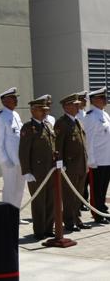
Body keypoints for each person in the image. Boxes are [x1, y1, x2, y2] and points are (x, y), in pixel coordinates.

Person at [19, 97, 56, 240]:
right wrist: (26, 171)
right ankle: (39, 231)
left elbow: (53, 146)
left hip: (50, 170)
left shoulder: (48, 126)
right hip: (36, 171)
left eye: (46, 110)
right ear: (33, 110)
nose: (45, 112)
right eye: (41, 110)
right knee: (39, 201)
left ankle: (48, 228)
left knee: (50, 200)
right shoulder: (28, 128)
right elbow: (23, 151)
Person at [54, 94, 91, 231]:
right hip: (69, 166)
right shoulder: (62, 123)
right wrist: (61, 164)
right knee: (69, 195)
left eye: (78, 104)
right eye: (75, 104)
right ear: (66, 107)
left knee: (79, 194)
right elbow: (58, 146)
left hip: (80, 164)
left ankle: (77, 218)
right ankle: (69, 222)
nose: (78, 106)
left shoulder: (77, 121)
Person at [0, 87, 27, 220]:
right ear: (5, 100)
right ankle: (7, 217)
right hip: (9, 161)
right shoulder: (0, 117)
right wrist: (4, 159)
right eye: (13, 98)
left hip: (20, 159)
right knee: (9, 189)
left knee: (19, 188)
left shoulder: (16, 115)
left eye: (16, 97)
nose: (16, 100)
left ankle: (16, 215)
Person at [82, 87, 110, 224]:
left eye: (105, 97)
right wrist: (91, 159)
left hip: (107, 158)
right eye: (102, 97)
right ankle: (97, 214)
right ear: (93, 100)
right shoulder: (91, 116)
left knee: (103, 187)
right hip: (97, 160)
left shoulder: (104, 114)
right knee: (96, 188)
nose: (105, 99)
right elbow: (89, 139)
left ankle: (103, 209)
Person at [76, 90, 90, 211]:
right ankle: (80, 202)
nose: (85, 102)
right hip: (80, 152)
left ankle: (85, 200)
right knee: (82, 180)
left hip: (88, 151)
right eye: (83, 99)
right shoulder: (77, 116)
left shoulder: (86, 114)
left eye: (85, 100)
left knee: (87, 179)